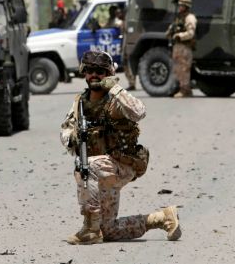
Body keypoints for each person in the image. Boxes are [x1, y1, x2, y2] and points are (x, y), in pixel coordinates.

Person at [60, 50, 181, 245]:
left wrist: (115, 88)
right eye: (90, 70)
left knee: (84, 166)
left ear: (109, 74)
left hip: (122, 164)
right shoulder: (80, 103)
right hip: (99, 171)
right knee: (109, 230)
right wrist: (71, 138)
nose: (94, 75)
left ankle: (90, 229)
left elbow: (139, 111)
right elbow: (65, 130)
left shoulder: (116, 99)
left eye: (100, 71)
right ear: (84, 73)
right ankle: (162, 218)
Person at [166, 0, 197, 98]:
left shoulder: (190, 18)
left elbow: (191, 33)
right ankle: (182, 89)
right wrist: (170, 32)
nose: (179, 7)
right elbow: (171, 30)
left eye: (182, 6)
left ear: (186, 7)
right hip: (177, 47)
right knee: (178, 69)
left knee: (184, 69)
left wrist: (180, 36)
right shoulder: (179, 18)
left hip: (185, 47)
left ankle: (185, 90)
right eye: (179, 5)